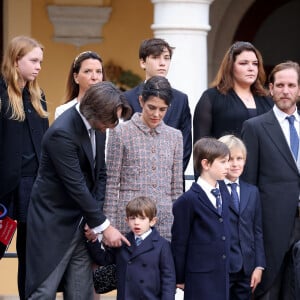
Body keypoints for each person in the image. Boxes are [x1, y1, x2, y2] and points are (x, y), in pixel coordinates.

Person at [25, 82, 132, 299]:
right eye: (110, 120)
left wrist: (95, 221)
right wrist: (104, 226)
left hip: (83, 226)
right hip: (53, 225)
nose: (112, 126)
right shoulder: (61, 133)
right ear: (94, 112)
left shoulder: (99, 126)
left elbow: (100, 175)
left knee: (82, 293)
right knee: (43, 292)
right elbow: (76, 186)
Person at [241, 61, 300, 299]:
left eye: (291, 85)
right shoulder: (254, 127)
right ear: (271, 89)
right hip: (270, 227)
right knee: (270, 292)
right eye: (281, 85)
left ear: (298, 90)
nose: (286, 90)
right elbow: (247, 185)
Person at [103, 75, 183, 241]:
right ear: (141, 101)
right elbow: (111, 183)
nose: (156, 114)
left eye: (163, 109)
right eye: (151, 107)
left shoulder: (175, 136)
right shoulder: (120, 132)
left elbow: (176, 188)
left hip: (164, 224)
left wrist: (178, 224)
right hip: (129, 224)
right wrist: (108, 226)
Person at [0, 35, 49, 300]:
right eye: (33, 60)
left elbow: (46, 143)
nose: (38, 66)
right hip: (5, 186)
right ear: (16, 60)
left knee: (30, 254)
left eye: (40, 61)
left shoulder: (37, 96)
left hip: (35, 186)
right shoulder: (0, 94)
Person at [171, 137, 231, 300]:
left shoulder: (224, 192)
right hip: (198, 277)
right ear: (206, 164)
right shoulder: (187, 200)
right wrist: (180, 278)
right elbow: (180, 242)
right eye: (223, 162)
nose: (228, 166)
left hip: (221, 274)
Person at [85, 196, 176, 300]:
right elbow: (103, 259)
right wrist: (93, 240)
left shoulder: (162, 245)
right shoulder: (122, 242)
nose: (136, 222)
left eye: (142, 218)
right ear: (127, 220)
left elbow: (168, 278)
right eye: (132, 218)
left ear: (152, 221)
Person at [124, 38, 192, 174]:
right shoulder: (127, 98)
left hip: (171, 183)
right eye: (155, 57)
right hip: (136, 180)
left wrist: (168, 175)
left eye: (166, 58)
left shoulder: (181, 99)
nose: (162, 63)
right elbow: (123, 144)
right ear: (143, 62)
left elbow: (185, 146)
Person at [193, 41, 273, 142]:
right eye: (244, 63)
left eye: (255, 64)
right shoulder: (212, 97)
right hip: (226, 157)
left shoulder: (268, 100)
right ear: (230, 67)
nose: (251, 68)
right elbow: (201, 143)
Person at [218, 135, 266, 300]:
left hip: (247, 268)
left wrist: (259, 266)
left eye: (240, 158)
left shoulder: (252, 191)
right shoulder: (213, 190)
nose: (235, 163)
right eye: (230, 159)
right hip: (221, 267)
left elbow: (257, 231)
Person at [55, 51, 105, 119]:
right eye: (87, 71)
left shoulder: (112, 108)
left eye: (98, 71)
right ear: (76, 77)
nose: (94, 77)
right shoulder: (63, 111)